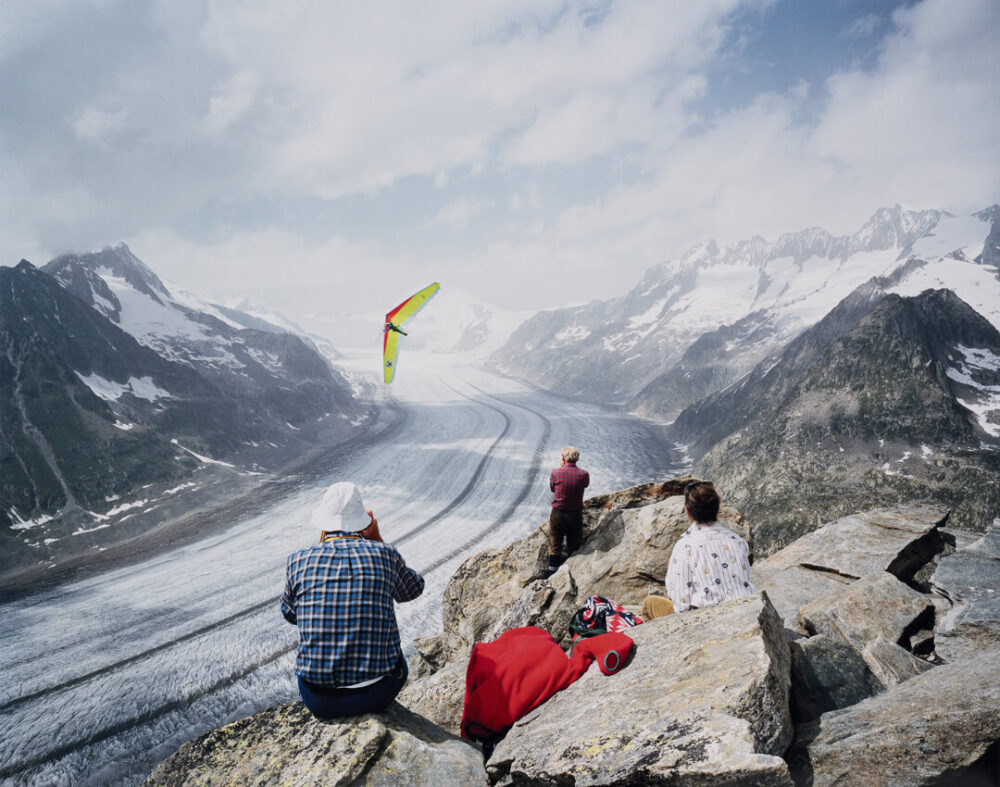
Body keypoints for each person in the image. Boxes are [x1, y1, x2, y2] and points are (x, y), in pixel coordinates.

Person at [281, 481, 424, 719]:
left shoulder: (298, 560)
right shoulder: (384, 554)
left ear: (323, 523)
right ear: (364, 523)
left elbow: (291, 614)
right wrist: (377, 538)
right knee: (397, 659)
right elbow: (413, 589)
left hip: (319, 700)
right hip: (378, 692)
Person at [640, 480, 754, 620]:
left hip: (706, 619)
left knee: (650, 603)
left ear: (687, 511)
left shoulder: (685, 546)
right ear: (717, 508)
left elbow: (681, 603)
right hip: (742, 612)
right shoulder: (737, 541)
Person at [546, 446, 590, 577]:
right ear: (577, 459)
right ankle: (569, 570)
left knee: (555, 545)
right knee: (573, 543)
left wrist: (561, 468)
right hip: (575, 513)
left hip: (558, 513)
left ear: (563, 458)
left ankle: (551, 574)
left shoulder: (556, 472)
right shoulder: (584, 474)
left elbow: (553, 488)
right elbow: (585, 485)